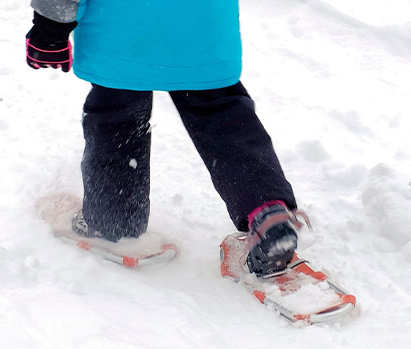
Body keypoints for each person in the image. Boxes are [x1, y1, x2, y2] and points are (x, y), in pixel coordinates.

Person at [25, 0, 304, 276]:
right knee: (224, 118)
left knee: (117, 118)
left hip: (121, 31)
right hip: (203, 30)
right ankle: (266, 210)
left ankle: (112, 223)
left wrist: (49, 31)